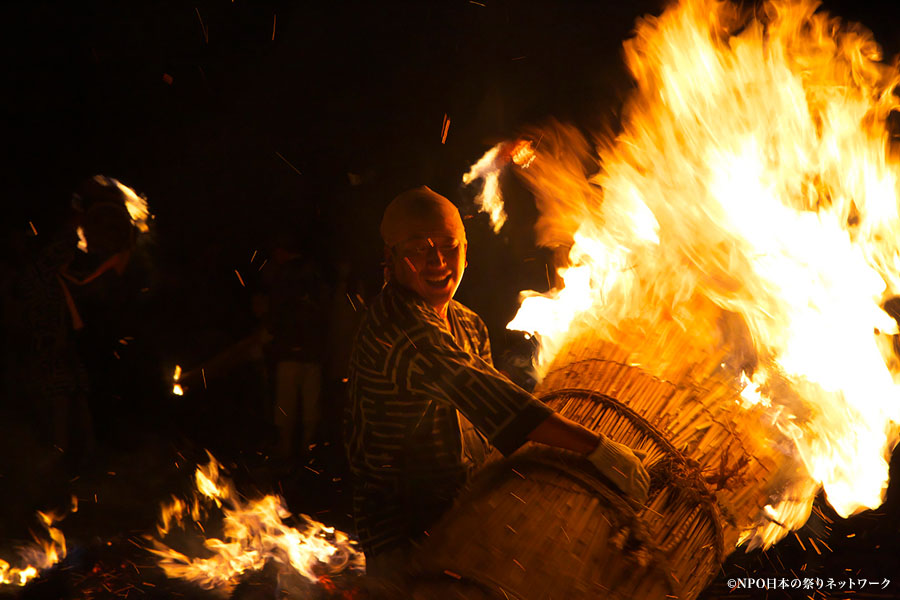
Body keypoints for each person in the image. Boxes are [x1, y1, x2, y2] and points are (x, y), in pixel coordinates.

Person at [344, 186, 650, 573]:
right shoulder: (397, 327)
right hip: (400, 536)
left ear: (467, 252)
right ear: (390, 259)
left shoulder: (468, 324)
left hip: (459, 517)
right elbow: (493, 399)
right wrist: (597, 448)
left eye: (448, 246)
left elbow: (488, 423)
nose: (437, 260)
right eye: (418, 249)